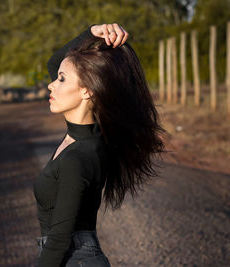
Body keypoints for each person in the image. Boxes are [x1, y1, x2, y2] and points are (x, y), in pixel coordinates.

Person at [34, 23, 166, 267]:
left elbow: (59, 240)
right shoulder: (84, 137)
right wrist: (91, 32)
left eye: (61, 80)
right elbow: (56, 63)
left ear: (87, 92)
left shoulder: (78, 158)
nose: (51, 84)